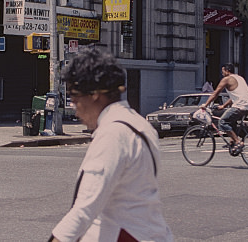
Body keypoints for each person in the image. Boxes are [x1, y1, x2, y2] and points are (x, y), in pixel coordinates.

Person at [49, 47, 172, 242]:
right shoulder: (138, 123)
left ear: (94, 94)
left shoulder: (113, 134)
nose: (73, 105)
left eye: (74, 96)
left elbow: (84, 208)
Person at [200, 62, 248, 152]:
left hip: (241, 106)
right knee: (231, 120)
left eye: (223, 71)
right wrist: (223, 106)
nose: (222, 74)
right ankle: (232, 141)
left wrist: (205, 105)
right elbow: (235, 96)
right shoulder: (240, 78)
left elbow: (215, 93)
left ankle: (238, 142)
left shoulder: (227, 79)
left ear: (227, 71)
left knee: (222, 122)